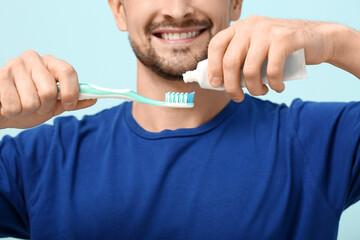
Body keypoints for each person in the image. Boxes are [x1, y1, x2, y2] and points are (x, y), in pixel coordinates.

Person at [1, 0, 360, 239]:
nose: (176, 9)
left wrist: (336, 42)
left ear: (234, 1)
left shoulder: (318, 143)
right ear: (119, 9)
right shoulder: (37, 162)